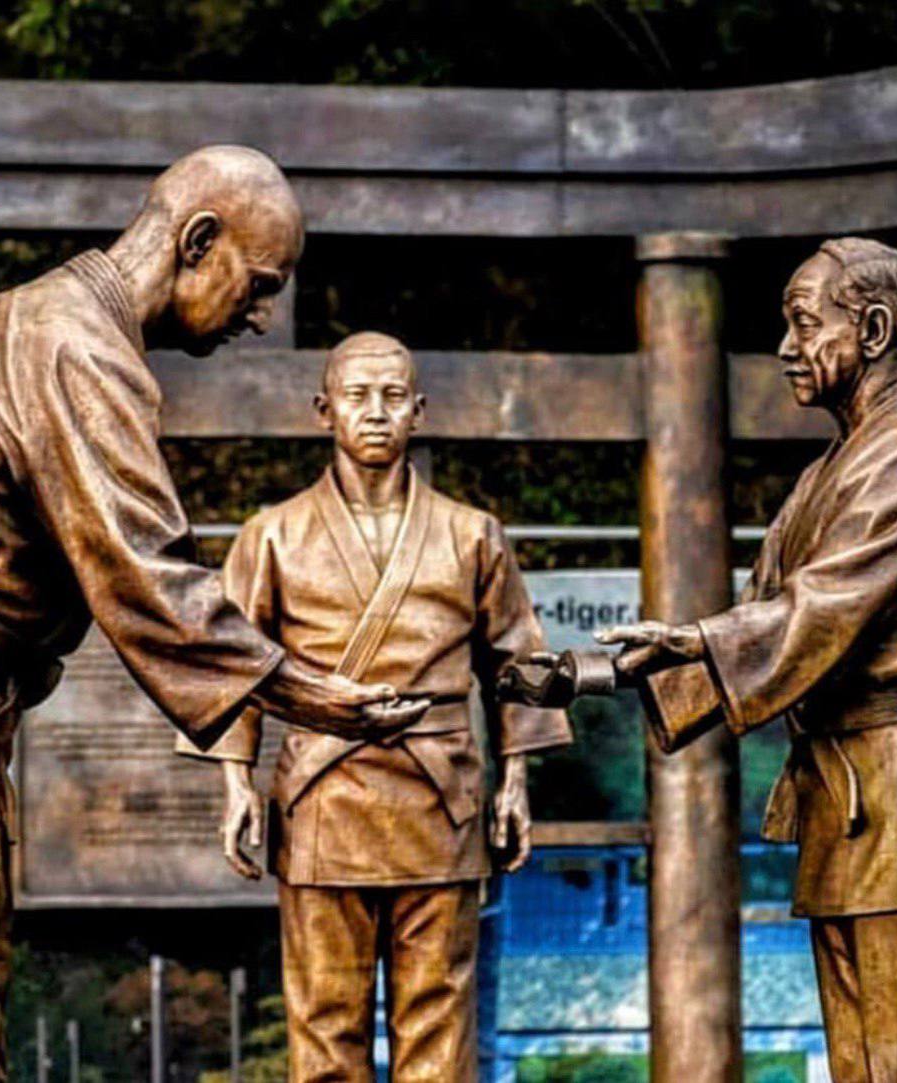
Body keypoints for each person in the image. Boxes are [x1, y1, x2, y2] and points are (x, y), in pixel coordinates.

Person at [0, 147, 423, 1082]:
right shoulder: (72, 341)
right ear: (198, 241)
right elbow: (144, 571)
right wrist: (307, 693)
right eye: (260, 284)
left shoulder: (43, 319)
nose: (262, 316)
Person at [509, 239, 897, 1083]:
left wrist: (699, 641)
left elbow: (820, 610)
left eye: (805, 323)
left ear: (874, 330)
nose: (786, 347)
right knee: (861, 1063)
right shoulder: (829, 472)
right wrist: (592, 672)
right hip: (850, 793)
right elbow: (755, 618)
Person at [178, 331, 571, 1081]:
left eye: (393, 397)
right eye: (357, 396)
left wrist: (516, 779)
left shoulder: (472, 534)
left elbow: (519, 663)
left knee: (439, 1023)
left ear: (418, 411)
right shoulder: (273, 535)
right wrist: (234, 783)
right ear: (323, 410)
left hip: (440, 796)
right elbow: (230, 665)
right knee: (326, 1025)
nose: (375, 412)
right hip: (324, 798)